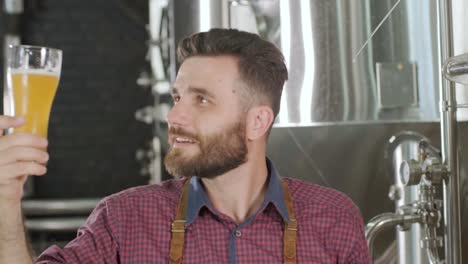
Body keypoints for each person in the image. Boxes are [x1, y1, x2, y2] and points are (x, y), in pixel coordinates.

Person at [0, 28, 370, 263]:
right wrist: (5, 201)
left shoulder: (333, 220)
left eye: (201, 100)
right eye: (177, 97)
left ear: (257, 121)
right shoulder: (126, 219)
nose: (175, 117)